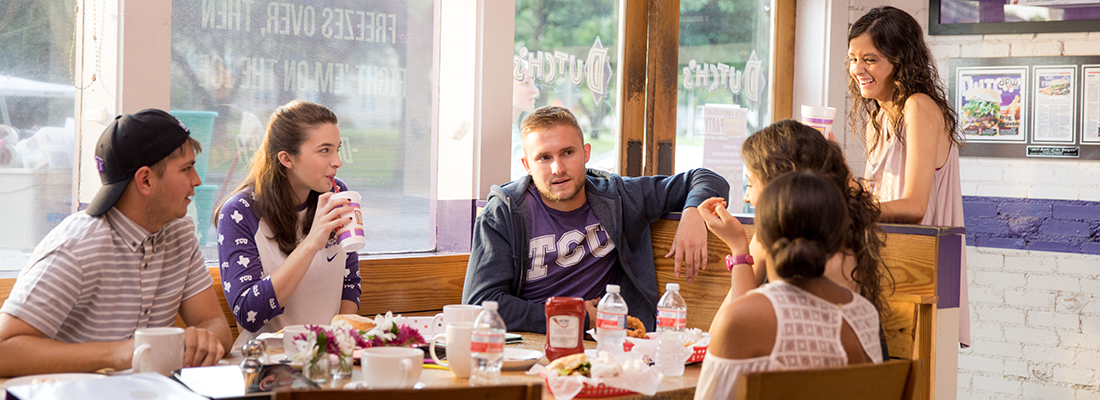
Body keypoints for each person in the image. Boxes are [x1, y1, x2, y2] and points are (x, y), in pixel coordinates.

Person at [0, 109, 232, 377]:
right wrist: (122, 352)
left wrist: (203, 339)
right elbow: (4, 349)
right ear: (145, 180)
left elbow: (215, 325)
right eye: (186, 169)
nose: (197, 181)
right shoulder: (75, 248)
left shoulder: (179, 234)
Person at [462, 106, 729, 333]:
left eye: (568, 153)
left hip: (609, 342)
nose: (558, 168)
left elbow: (707, 178)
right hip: (531, 343)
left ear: (586, 153)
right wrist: (573, 316)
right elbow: (479, 304)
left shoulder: (619, 196)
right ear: (527, 165)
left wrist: (693, 212)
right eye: (544, 157)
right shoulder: (504, 213)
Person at [693, 171, 883, 400]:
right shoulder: (864, 314)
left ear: (760, 236)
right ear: (836, 241)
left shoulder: (741, 319)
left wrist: (739, 249)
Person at [847, 6, 968, 346]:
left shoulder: (918, 106)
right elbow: (883, 202)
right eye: (853, 59)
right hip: (889, 265)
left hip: (923, 272)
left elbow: (914, 206)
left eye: (870, 59)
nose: (858, 70)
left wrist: (851, 207)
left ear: (900, 59)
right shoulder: (881, 119)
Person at [215, 101, 361, 347]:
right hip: (267, 365)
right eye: (324, 150)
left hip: (328, 357)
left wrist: (339, 343)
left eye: (337, 148)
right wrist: (311, 244)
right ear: (286, 158)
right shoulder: (239, 213)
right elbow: (248, 314)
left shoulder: (338, 195)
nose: (337, 161)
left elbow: (350, 282)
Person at [739, 120, 889, 324]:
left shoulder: (832, 247)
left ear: (780, 184)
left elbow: (734, 322)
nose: (746, 197)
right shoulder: (776, 236)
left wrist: (739, 251)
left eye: (750, 183)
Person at [511, 59, 540, 180]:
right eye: (526, 83)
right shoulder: (507, 134)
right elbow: (525, 177)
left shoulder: (517, 130)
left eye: (533, 83)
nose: (535, 90)